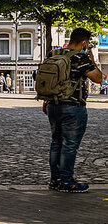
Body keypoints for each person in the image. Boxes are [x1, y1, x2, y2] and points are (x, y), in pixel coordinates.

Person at [41, 27, 105, 193]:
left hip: (53, 105)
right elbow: (98, 79)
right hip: (73, 106)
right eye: (87, 43)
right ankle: (67, 181)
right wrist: (92, 61)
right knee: (69, 145)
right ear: (84, 42)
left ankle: (55, 179)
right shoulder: (80, 57)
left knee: (56, 143)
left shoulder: (54, 54)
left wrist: (47, 100)